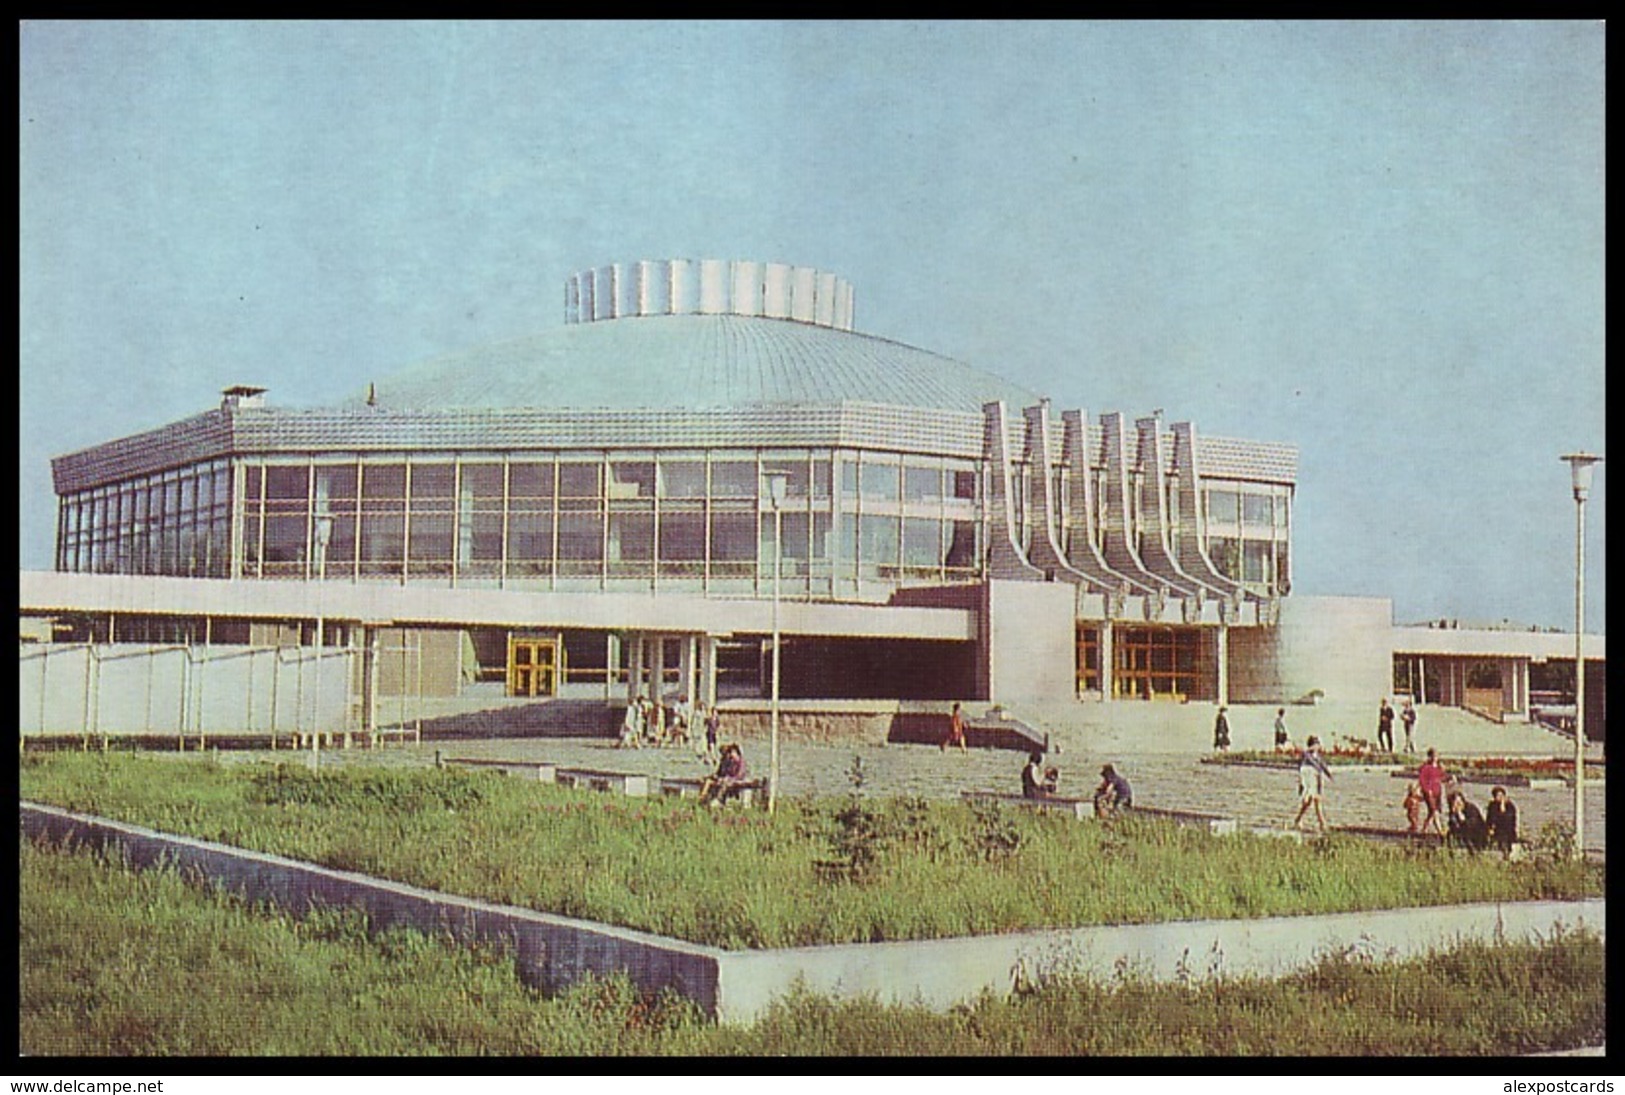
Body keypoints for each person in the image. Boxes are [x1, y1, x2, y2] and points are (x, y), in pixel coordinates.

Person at [1292, 735, 1333, 832]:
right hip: (1308, 780)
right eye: (1315, 744)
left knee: (1314, 801)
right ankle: (1320, 823)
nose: (1317, 746)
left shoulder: (1318, 757)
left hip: (1316, 780)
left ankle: (1320, 823)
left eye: (1317, 744)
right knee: (1309, 801)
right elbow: (1302, 769)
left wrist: (1329, 775)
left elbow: (1323, 767)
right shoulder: (1306, 756)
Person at [1417, 748, 1448, 835]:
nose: (1435, 758)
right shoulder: (1426, 767)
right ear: (1429, 757)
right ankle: (1440, 830)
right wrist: (1427, 790)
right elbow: (1422, 780)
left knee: (1432, 812)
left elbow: (1442, 778)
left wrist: (1449, 778)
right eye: (1433, 756)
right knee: (1434, 811)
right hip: (1429, 792)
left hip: (1437, 791)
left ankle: (1424, 828)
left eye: (1436, 756)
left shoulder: (1439, 767)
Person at [1485, 786, 1519, 859]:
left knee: (1504, 839)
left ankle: (1506, 854)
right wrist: (1490, 828)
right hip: (1496, 830)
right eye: (1498, 796)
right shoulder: (1492, 806)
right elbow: (1490, 819)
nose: (1500, 798)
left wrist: (1502, 809)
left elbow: (1509, 821)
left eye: (1501, 795)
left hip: (1508, 831)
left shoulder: (1510, 806)